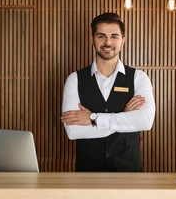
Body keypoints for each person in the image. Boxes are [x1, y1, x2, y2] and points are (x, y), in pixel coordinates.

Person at [61, 12, 155, 172]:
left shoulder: (139, 78)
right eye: (101, 36)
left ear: (123, 41)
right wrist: (124, 118)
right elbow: (73, 131)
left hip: (129, 173)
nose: (108, 42)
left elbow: (145, 122)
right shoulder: (74, 79)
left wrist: (93, 118)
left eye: (114, 36)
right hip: (87, 174)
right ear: (92, 39)